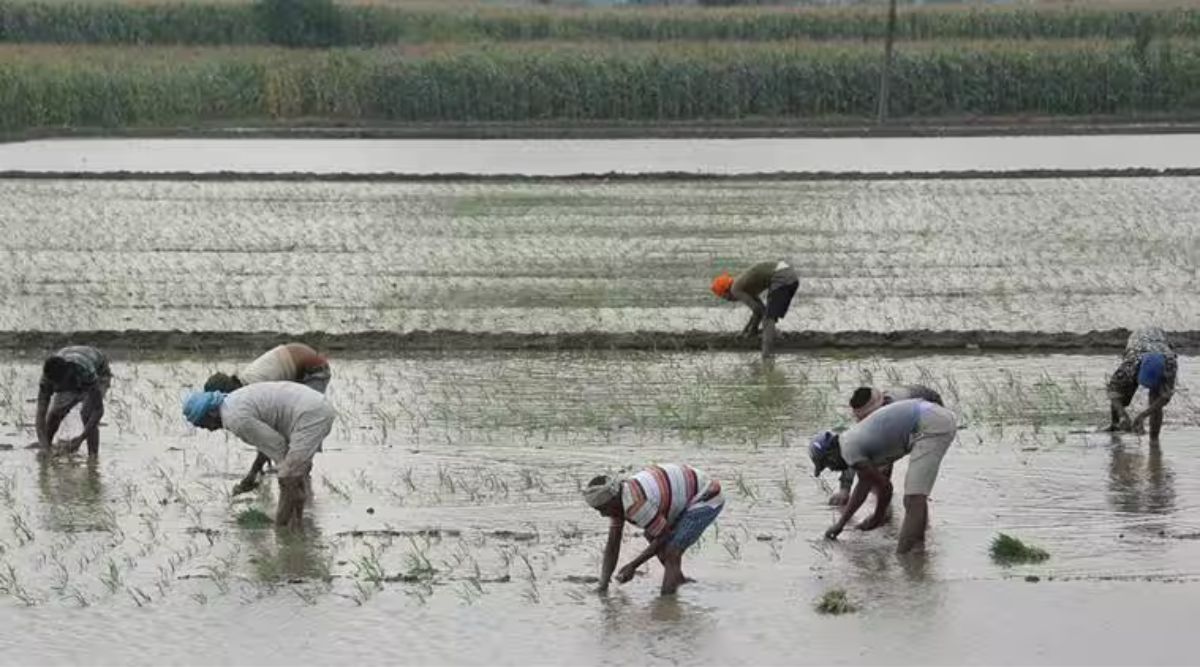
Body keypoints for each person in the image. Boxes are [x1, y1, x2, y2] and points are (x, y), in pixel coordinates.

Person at [811, 398, 956, 554]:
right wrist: (841, 524)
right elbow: (863, 485)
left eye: (827, 465)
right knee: (916, 498)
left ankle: (904, 558)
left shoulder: (848, 451)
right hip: (932, 417)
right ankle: (917, 552)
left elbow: (885, 487)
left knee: (913, 498)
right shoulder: (851, 441)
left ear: (831, 455)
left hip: (930, 425)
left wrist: (877, 517)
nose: (832, 470)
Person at [183, 382, 336, 529]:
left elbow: (278, 445)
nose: (207, 429)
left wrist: (287, 475)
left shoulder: (236, 419)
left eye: (203, 424)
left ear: (211, 412)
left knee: (288, 477)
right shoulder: (232, 402)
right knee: (292, 477)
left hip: (310, 414)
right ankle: (296, 525)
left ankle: (282, 530)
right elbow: (267, 444)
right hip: (312, 406)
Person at [203, 343, 332, 495]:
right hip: (298, 359)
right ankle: (298, 482)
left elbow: (272, 438)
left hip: (312, 370)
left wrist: (252, 474)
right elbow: (267, 437)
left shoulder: (253, 390)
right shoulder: (246, 391)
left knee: (304, 428)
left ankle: (302, 488)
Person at [582, 464, 724, 596]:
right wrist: (603, 585)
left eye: (603, 509)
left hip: (707, 495)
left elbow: (664, 535)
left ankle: (668, 606)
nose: (602, 514)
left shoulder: (635, 504)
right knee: (652, 533)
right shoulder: (619, 500)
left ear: (612, 501)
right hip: (686, 490)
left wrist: (633, 566)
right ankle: (676, 578)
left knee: (672, 551)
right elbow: (613, 544)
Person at [829, 385, 945, 506]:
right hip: (910, 409)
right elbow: (853, 450)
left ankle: (912, 500)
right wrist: (844, 489)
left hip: (931, 410)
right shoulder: (868, 414)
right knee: (877, 466)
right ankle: (884, 503)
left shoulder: (895, 413)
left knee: (890, 465)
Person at [711, 260, 800, 358]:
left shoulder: (735, 289)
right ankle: (774, 337)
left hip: (781, 277)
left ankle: (766, 357)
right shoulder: (746, 286)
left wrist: (751, 331)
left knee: (768, 318)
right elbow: (760, 309)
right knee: (768, 316)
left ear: (726, 292)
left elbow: (758, 311)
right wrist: (746, 331)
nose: (729, 300)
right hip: (790, 276)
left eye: (725, 297)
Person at [35, 345, 112, 457]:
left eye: (61, 385)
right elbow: (40, 415)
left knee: (87, 413)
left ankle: (93, 457)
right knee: (55, 413)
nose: (59, 389)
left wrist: (79, 440)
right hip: (73, 364)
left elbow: (98, 410)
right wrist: (44, 446)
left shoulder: (85, 370)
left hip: (99, 371)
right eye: (56, 387)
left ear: (69, 373)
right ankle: (48, 449)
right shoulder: (46, 380)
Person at [1106, 327, 1177, 443]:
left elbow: (1164, 397)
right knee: (1121, 390)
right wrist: (1123, 414)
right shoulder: (1131, 364)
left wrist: (1142, 416)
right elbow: (1113, 391)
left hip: (1161, 340)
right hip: (1138, 341)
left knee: (1155, 398)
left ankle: (1154, 439)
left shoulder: (1169, 365)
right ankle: (1115, 424)